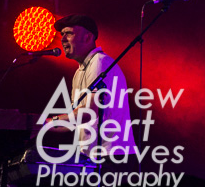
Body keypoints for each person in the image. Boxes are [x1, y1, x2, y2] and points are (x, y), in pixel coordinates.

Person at [46, 14, 137, 159]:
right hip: (94, 156)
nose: (62, 39)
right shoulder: (79, 72)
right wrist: (40, 126)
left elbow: (89, 112)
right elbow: (74, 119)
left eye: (69, 33)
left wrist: (51, 121)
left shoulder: (100, 62)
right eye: (62, 34)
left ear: (88, 37)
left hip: (112, 155)